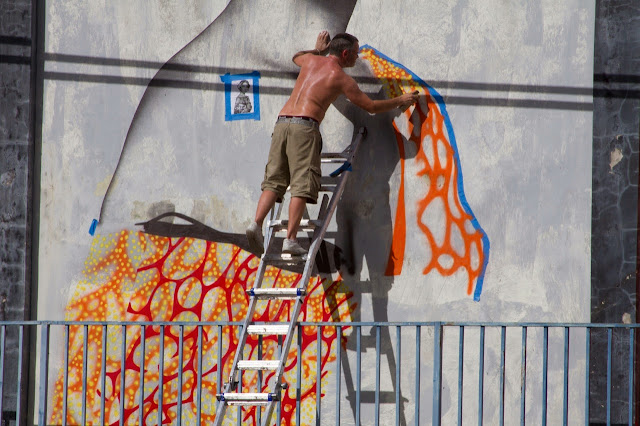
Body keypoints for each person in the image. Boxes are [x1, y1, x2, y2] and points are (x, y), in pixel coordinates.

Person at [246, 31, 419, 256]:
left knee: (274, 180)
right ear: (345, 54)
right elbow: (371, 107)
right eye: (355, 54)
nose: (357, 59)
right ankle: (290, 239)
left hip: (282, 124)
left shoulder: (310, 60)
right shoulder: (340, 78)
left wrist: (318, 50)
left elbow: (296, 56)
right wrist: (401, 101)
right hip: (304, 127)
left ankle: (255, 224)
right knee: (301, 184)